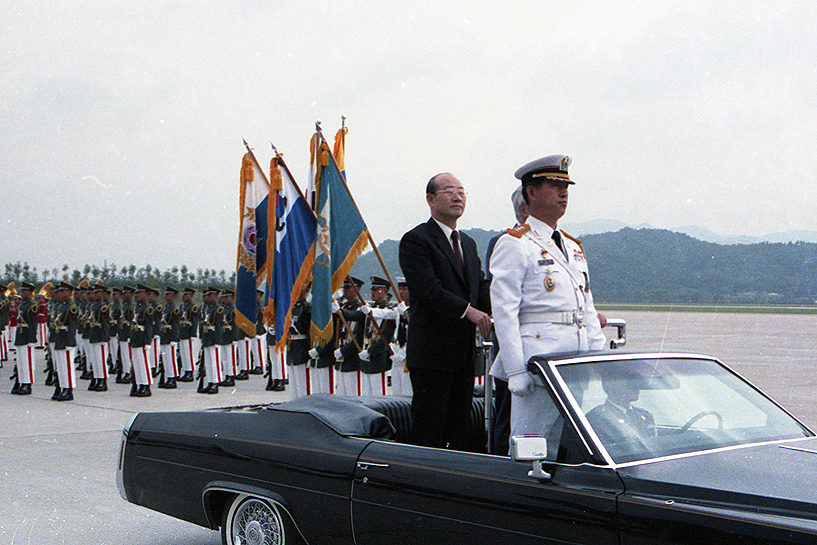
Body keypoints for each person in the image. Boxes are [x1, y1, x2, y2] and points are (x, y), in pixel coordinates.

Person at [489, 155, 606, 443]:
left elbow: (585, 306)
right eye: (555, 186)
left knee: (565, 443)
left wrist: (599, 356)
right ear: (531, 192)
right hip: (536, 364)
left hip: (573, 363)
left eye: (566, 186)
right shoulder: (516, 243)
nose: (564, 193)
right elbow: (504, 311)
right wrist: (516, 370)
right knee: (531, 442)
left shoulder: (572, 246)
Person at [399, 172, 491, 449]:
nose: (457, 197)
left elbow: (481, 289)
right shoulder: (416, 240)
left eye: (462, 192)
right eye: (449, 191)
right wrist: (469, 312)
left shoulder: (468, 243)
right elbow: (429, 291)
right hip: (432, 355)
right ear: (430, 199)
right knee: (430, 431)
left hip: (463, 355)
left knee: (460, 430)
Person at [486, 185, 528, 455]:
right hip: (515, 346)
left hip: (546, 346)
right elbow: (503, 303)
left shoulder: (559, 243)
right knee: (507, 412)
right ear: (524, 208)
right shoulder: (507, 242)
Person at [585, 366, 657, 457]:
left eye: (637, 381)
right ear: (610, 383)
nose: (636, 386)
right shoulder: (596, 419)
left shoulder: (645, 415)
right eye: (630, 380)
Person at [12, 282, 39, 395]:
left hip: (27, 334)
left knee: (27, 361)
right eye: (21, 290)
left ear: (29, 292)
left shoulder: (32, 305)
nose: (22, 293)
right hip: (20, 334)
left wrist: (31, 339)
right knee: (21, 361)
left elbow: (33, 324)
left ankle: (27, 383)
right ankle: (21, 381)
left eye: (24, 291)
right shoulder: (22, 304)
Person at [158, 286, 181, 389]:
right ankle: (167, 377)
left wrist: (174, 338)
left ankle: (172, 378)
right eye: (165, 294)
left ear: (173, 296)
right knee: (165, 359)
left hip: (170, 336)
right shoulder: (165, 308)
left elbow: (175, 325)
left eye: (168, 294)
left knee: (171, 359)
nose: (166, 296)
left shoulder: (175, 309)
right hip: (164, 335)